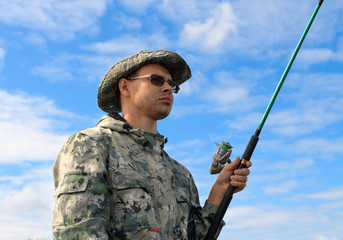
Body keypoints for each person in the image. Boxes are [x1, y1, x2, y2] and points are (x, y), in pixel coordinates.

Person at [52, 49, 251, 240]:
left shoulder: (181, 174)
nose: (167, 88)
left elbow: (197, 237)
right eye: (156, 80)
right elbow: (77, 233)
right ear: (125, 87)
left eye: (171, 84)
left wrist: (219, 192)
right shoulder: (92, 145)